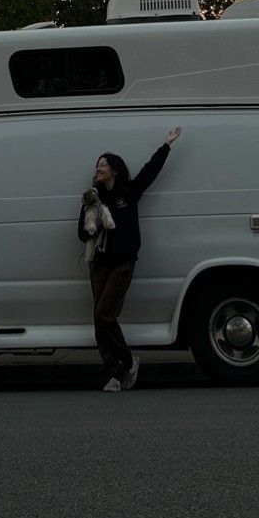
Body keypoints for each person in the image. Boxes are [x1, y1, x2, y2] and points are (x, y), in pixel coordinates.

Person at [77, 126, 182, 392]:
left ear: (114, 169)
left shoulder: (129, 193)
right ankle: (115, 374)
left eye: (104, 164)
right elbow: (81, 234)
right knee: (100, 319)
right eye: (97, 165)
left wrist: (166, 145)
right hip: (98, 263)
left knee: (104, 313)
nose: (99, 168)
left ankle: (127, 360)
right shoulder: (93, 197)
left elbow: (150, 171)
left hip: (122, 263)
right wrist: (92, 218)